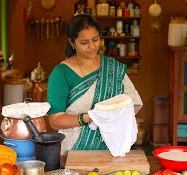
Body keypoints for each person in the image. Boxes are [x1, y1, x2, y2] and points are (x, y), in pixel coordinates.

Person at [47, 14, 143, 155]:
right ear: (72, 42)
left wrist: (114, 116)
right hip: (73, 150)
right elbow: (55, 121)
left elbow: (131, 102)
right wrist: (92, 117)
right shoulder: (61, 73)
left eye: (95, 39)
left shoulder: (112, 67)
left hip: (111, 146)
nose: (92, 46)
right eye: (84, 42)